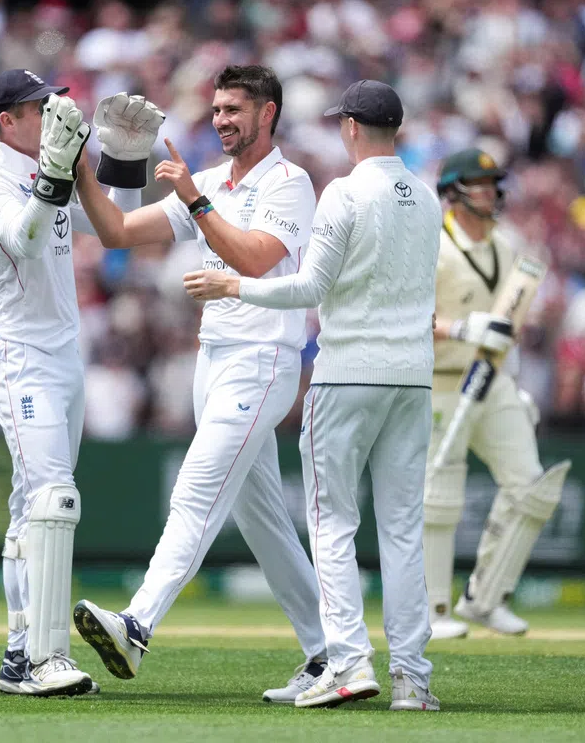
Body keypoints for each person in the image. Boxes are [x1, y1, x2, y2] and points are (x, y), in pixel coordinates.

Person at [68, 65, 328, 704]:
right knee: (265, 522)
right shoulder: (209, 180)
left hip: (264, 360)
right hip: (213, 363)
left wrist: (193, 199)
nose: (221, 120)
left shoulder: (290, 183)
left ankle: (137, 625)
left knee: (197, 489)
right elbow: (116, 233)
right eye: (216, 109)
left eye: (235, 109)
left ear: (268, 114)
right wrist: (93, 165)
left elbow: (254, 259)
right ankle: (332, 655)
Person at [184, 79, 441, 711]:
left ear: (352, 127)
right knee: (404, 530)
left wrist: (233, 288)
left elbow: (306, 287)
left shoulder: (346, 193)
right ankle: (412, 678)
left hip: (350, 373)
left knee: (332, 525)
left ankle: (349, 662)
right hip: (412, 377)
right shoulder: (429, 196)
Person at [0, 68, 161, 696]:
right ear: (6, 122)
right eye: (37, 107)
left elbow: (115, 227)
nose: (53, 115)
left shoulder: (48, 166)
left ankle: (20, 657)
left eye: (53, 104)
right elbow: (21, 241)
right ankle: (46, 658)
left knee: (32, 509)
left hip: (62, 356)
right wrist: (55, 170)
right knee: (54, 498)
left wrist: (125, 159)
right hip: (19, 357)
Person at [422, 148, 569, 639]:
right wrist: (461, 328)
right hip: (441, 384)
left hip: (493, 381)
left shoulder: (508, 248)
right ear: (455, 191)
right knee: (439, 497)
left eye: (492, 183)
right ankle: (432, 609)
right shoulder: (430, 245)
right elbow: (406, 319)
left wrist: (515, 374)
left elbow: (511, 326)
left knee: (530, 486)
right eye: (479, 184)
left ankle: (485, 598)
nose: (489, 192)